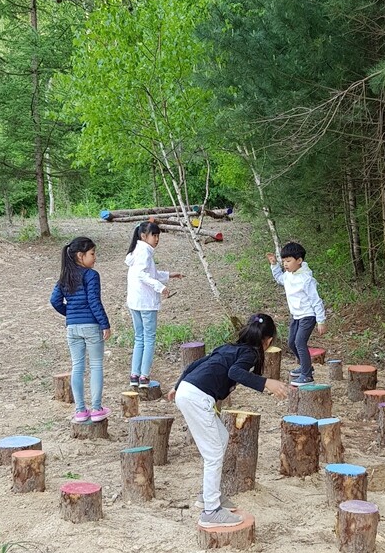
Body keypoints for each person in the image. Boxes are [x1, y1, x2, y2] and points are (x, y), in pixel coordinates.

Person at [167, 313, 288, 527]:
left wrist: (178, 385)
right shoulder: (249, 354)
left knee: (221, 438)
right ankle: (211, 511)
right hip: (196, 397)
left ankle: (208, 495)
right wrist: (266, 382)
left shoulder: (229, 347)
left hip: (189, 390)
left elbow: (196, 364)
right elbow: (235, 372)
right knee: (213, 453)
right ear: (267, 341)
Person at [50, 237, 112, 423]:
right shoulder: (91, 275)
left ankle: (80, 410)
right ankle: (96, 408)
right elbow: (94, 301)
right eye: (92, 254)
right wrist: (105, 323)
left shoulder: (65, 276)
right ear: (80, 255)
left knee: (77, 367)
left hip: (72, 328)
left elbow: (55, 301)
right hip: (91, 327)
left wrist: (70, 314)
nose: (95, 258)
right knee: (95, 366)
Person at [125, 222, 183, 389]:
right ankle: (144, 376)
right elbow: (142, 275)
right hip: (145, 302)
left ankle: (135, 374)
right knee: (148, 338)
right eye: (154, 235)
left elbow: (151, 273)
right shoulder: (144, 251)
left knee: (139, 337)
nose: (157, 239)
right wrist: (161, 287)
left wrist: (170, 275)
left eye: (158, 236)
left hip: (135, 301)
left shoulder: (138, 250)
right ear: (144, 236)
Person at [266, 242, 326, 385]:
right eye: (284, 261)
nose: (285, 264)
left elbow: (316, 300)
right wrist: (274, 265)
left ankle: (307, 376)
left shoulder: (306, 279)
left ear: (299, 261)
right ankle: (307, 367)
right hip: (296, 315)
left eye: (288, 261)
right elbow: (280, 279)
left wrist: (321, 320)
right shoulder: (288, 275)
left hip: (308, 315)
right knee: (291, 342)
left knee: (300, 342)